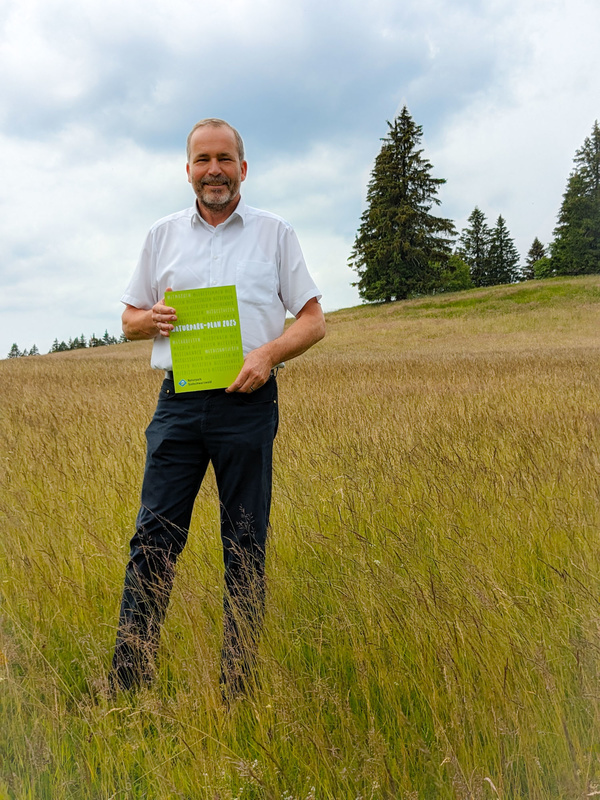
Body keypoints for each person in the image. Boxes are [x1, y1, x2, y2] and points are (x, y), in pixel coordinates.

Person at [109, 118, 325, 697]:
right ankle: (128, 681)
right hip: (178, 404)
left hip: (247, 402)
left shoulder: (275, 234)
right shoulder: (161, 236)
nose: (214, 171)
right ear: (187, 170)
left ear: (243, 167)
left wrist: (269, 355)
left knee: (245, 544)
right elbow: (128, 319)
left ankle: (238, 687)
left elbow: (313, 320)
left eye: (224, 159)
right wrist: (147, 320)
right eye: (202, 160)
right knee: (153, 540)